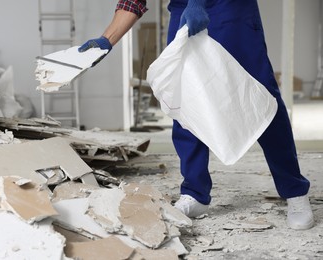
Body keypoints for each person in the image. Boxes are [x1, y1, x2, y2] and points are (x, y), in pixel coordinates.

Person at [79, 0, 314, 230]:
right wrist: (106, 40)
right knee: (184, 99)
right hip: (183, 10)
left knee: (259, 95)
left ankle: (294, 191)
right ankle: (195, 193)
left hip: (230, 7)